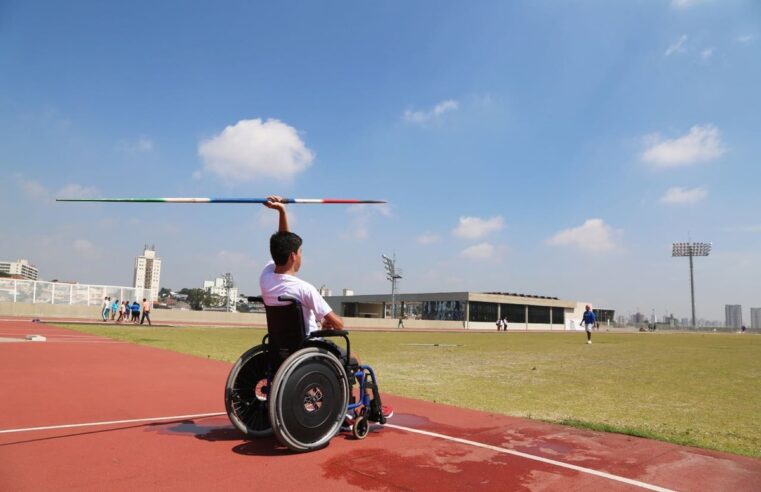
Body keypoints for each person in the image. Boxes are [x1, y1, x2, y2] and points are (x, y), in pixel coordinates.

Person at [261, 195, 393, 423]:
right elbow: (339, 323)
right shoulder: (305, 289)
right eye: (300, 252)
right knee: (354, 359)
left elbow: (283, 242)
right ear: (294, 256)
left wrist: (281, 211)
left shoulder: (265, 278)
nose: (301, 255)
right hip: (308, 345)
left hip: (280, 347)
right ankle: (365, 408)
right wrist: (329, 322)